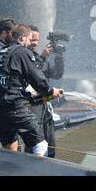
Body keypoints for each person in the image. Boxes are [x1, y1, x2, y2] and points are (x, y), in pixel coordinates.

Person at [0, 24, 62, 156]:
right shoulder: (21, 52)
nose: (31, 42)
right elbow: (37, 79)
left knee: (10, 144)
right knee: (40, 144)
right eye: (30, 38)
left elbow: (6, 80)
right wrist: (50, 91)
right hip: (13, 107)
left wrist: (27, 94)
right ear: (23, 37)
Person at [24, 25, 65, 158]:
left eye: (37, 40)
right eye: (32, 39)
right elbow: (32, 74)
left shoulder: (37, 57)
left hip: (44, 107)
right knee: (35, 144)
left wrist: (59, 56)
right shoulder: (20, 56)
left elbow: (57, 74)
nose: (35, 43)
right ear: (25, 38)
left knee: (50, 145)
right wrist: (42, 57)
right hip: (30, 107)